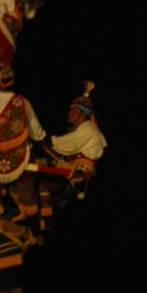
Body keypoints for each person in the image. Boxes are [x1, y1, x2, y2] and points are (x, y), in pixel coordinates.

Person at [0, 63, 49, 225]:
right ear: (12, 82)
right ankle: (35, 209)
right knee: (38, 168)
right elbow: (37, 133)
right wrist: (48, 150)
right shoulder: (23, 103)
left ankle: (1, 202)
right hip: (21, 158)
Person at [39, 81, 107, 212]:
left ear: (84, 114)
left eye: (74, 110)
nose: (70, 112)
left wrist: (43, 140)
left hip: (77, 175)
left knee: (40, 181)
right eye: (70, 109)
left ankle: (45, 217)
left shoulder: (89, 130)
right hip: (70, 171)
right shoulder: (83, 130)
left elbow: (66, 144)